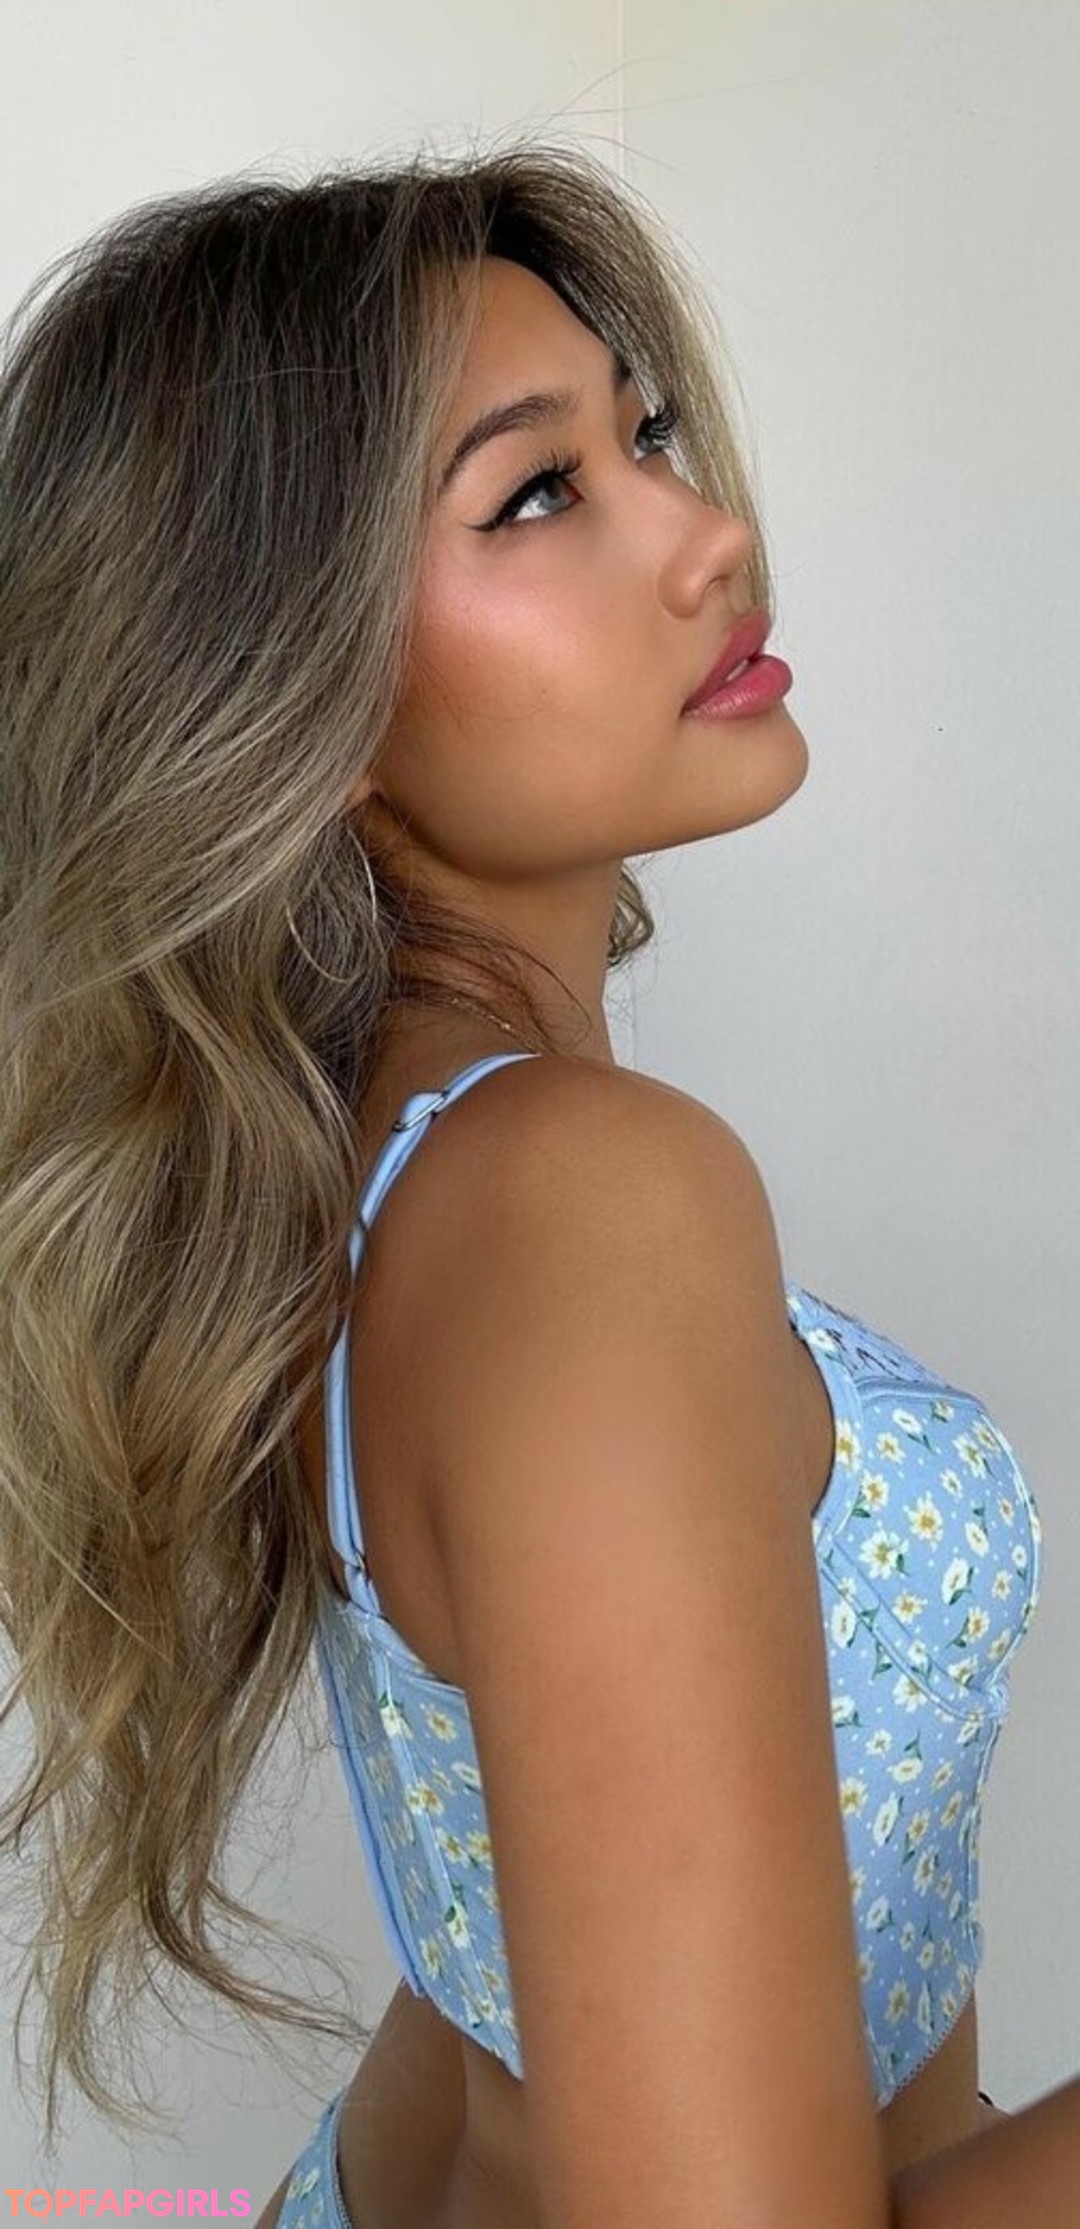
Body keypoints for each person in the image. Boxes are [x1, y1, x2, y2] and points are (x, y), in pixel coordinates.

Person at [0, 139, 1074, 2229]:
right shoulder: (580, 1197)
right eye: (538, 494)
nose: (713, 534)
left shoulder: (401, 1164)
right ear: (298, 688)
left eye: (643, 435)